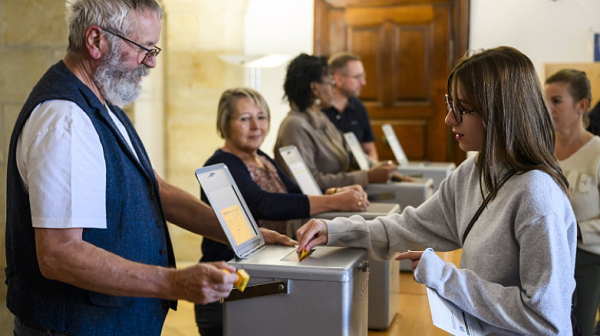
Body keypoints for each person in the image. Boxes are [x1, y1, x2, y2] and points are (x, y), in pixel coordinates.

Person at [4, 1, 293, 335]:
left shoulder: (106, 106)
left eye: (153, 49)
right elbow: (59, 254)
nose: (152, 62)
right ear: (96, 41)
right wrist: (173, 282)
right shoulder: (65, 119)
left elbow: (157, 190)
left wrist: (245, 234)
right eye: (143, 48)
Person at [296, 46, 577, 335]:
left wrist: (445, 277)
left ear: (500, 112)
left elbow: (546, 320)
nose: (449, 119)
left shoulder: (537, 195)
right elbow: (409, 226)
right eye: (449, 104)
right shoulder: (473, 172)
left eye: (462, 109)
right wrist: (335, 230)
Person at [194, 87, 369, 336]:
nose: (256, 126)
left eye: (262, 117)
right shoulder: (220, 164)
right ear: (225, 123)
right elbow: (265, 204)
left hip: (261, 283)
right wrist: (335, 202)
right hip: (226, 291)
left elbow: (294, 194)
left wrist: (335, 193)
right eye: (245, 119)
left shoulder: (262, 157)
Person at [274, 53, 405, 190]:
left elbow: (349, 151)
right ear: (315, 88)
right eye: (330, 83)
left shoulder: (321, 118)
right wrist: (367, 176)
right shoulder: (295, 126)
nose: (333, 89)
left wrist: (382, 169)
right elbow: (309, 183)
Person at [545, 69, 600, 336]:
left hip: (586, 261)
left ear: (582, 105)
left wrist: (574, 230)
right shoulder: (540, 151)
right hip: (543, 256)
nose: (549, 108)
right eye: (545, 101)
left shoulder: (597, 152)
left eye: (556, 101)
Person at [322, 52, 378, 161]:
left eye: (363, 76)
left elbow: (369, 148)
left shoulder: (358, 107)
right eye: (357, 77)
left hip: (359, 172)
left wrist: (373, 172)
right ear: (337, 79)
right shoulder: (318, 110)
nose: (363, 82)